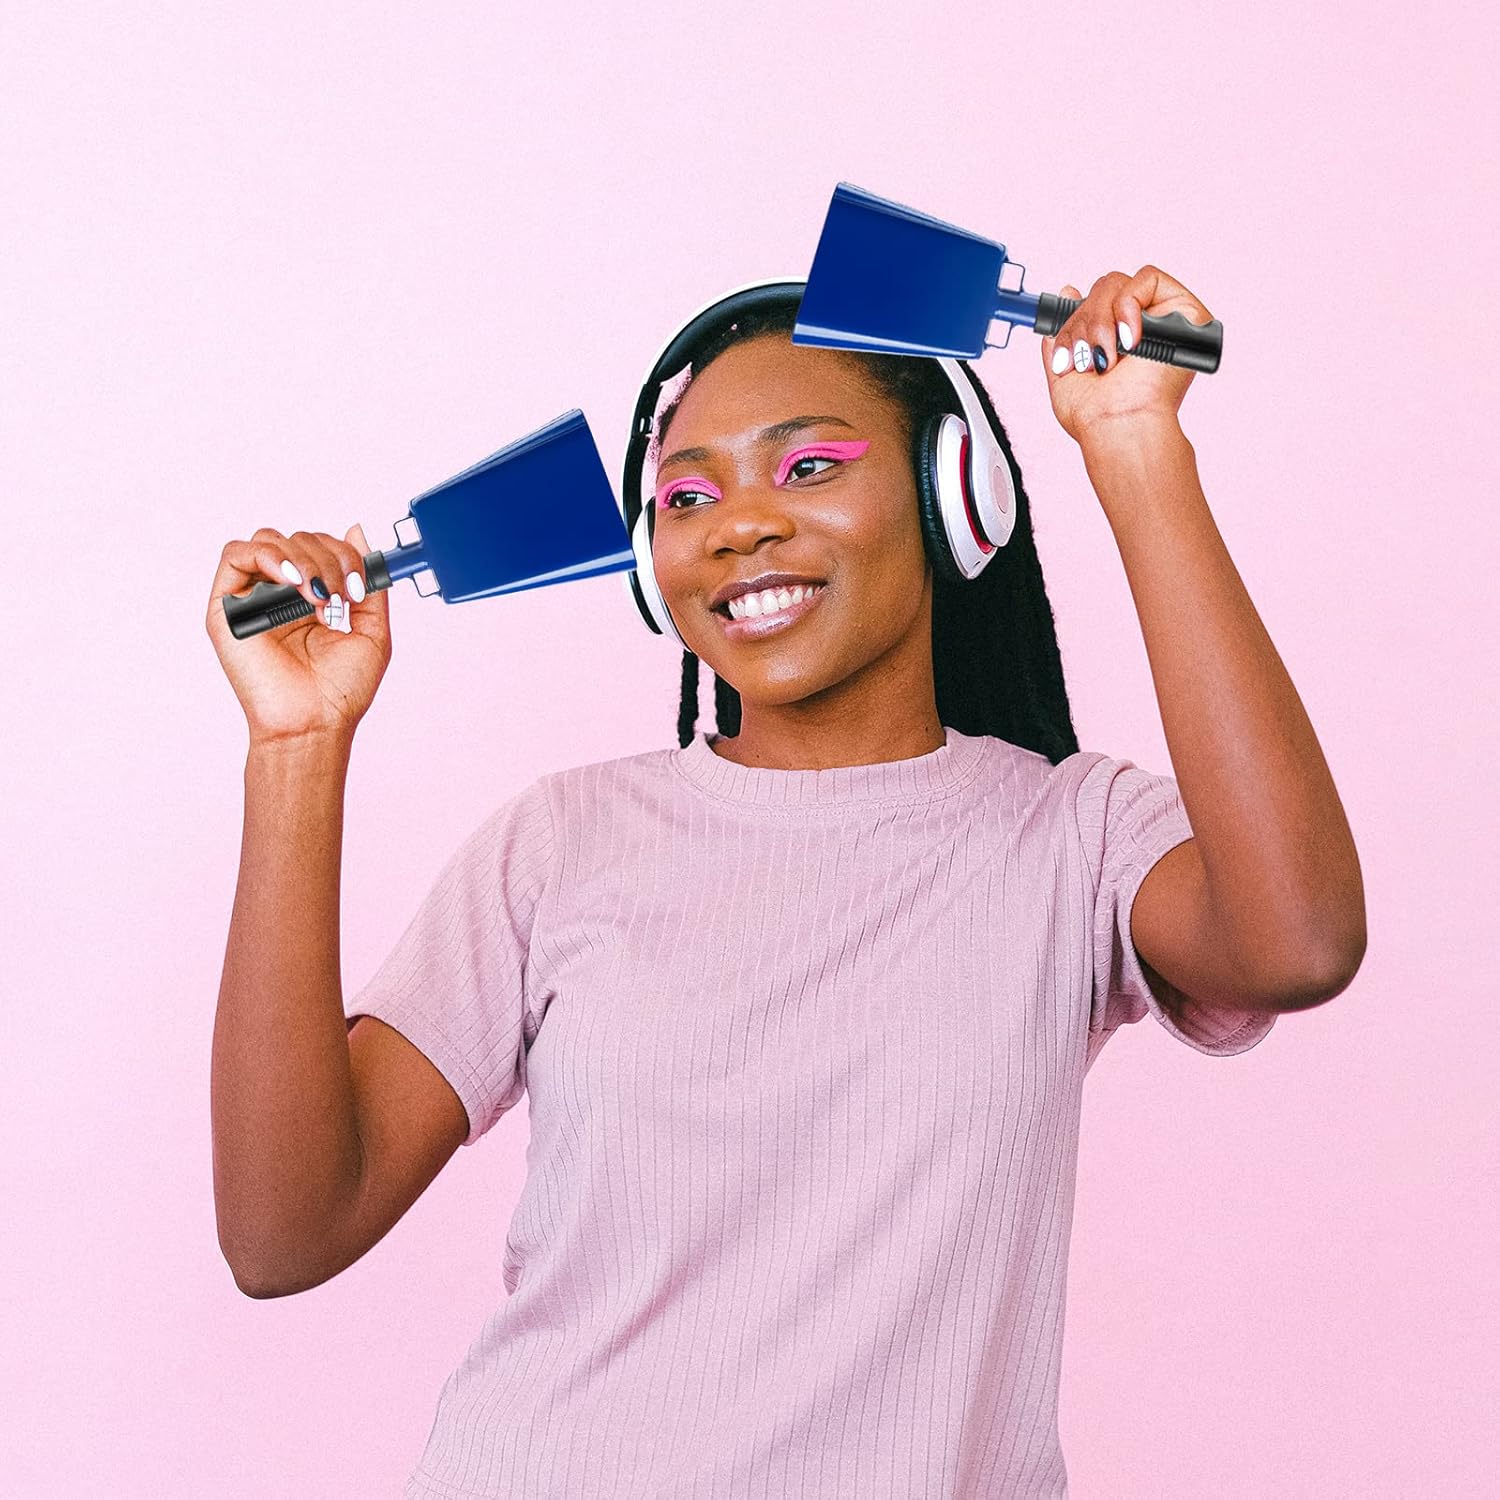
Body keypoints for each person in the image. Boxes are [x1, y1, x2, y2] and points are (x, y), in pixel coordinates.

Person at [206, 267, 1364, 1498]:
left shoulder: (1072, 839)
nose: (738, 524)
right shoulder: (557, 843)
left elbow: (1298, 943)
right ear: (654, 567)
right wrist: (296, 747)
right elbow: (285, 1231)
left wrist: (1134, 446)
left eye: (809, 468)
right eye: (688, 495)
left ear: (955, 494)